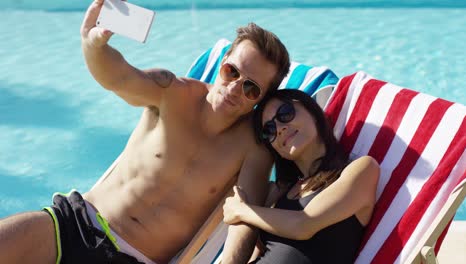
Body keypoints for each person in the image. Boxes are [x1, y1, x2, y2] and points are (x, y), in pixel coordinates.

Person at [0, 0, 290, 263]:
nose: (235, 88)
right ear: (223, 62)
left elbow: (243, 217)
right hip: (77, 222)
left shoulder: (252, 148)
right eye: (232, 72)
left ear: (262, 99)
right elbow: (120, 77)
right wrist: (94, 46)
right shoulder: (173, 92)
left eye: (251, 88)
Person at [222, 89, 380, 263]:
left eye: (285, 113)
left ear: (312, 111)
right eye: (269, 130)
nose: (280, 129)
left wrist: (241, 210)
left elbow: (303, 225)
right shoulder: (281, 192)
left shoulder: (362, 169)